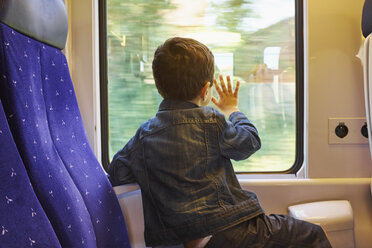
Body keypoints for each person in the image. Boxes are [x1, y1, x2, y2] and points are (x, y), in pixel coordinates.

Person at [108, 37, 332, 248]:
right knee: (313, 235)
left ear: (159, 87)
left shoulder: (144, 136)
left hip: (178, 239)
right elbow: (250, 143)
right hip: (226, 231)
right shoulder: (210, 121)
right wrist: (232, 110)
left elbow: (118, 172)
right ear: (205, 90)